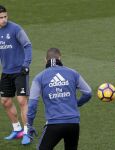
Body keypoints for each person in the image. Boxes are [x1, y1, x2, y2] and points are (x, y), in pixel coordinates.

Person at [25, 48, 92, 149]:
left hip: (54, 124)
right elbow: (88, 93)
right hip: (73, 123)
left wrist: (29, 124)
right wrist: (77, 103)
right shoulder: (73, 73)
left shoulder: (39, 77)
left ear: (45, 60)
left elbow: (32, 104)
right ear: (60, 57)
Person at [0, 5, 32, 144]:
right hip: (6, 72)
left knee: (22, 101)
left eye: (5, 16)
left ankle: (27, 132)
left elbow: (27, 45)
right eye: (1, 18)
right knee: (5, 101)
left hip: (20, 71)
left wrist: (26, 65)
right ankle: (17, 129)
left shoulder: (15, 29)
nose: (4, 20)